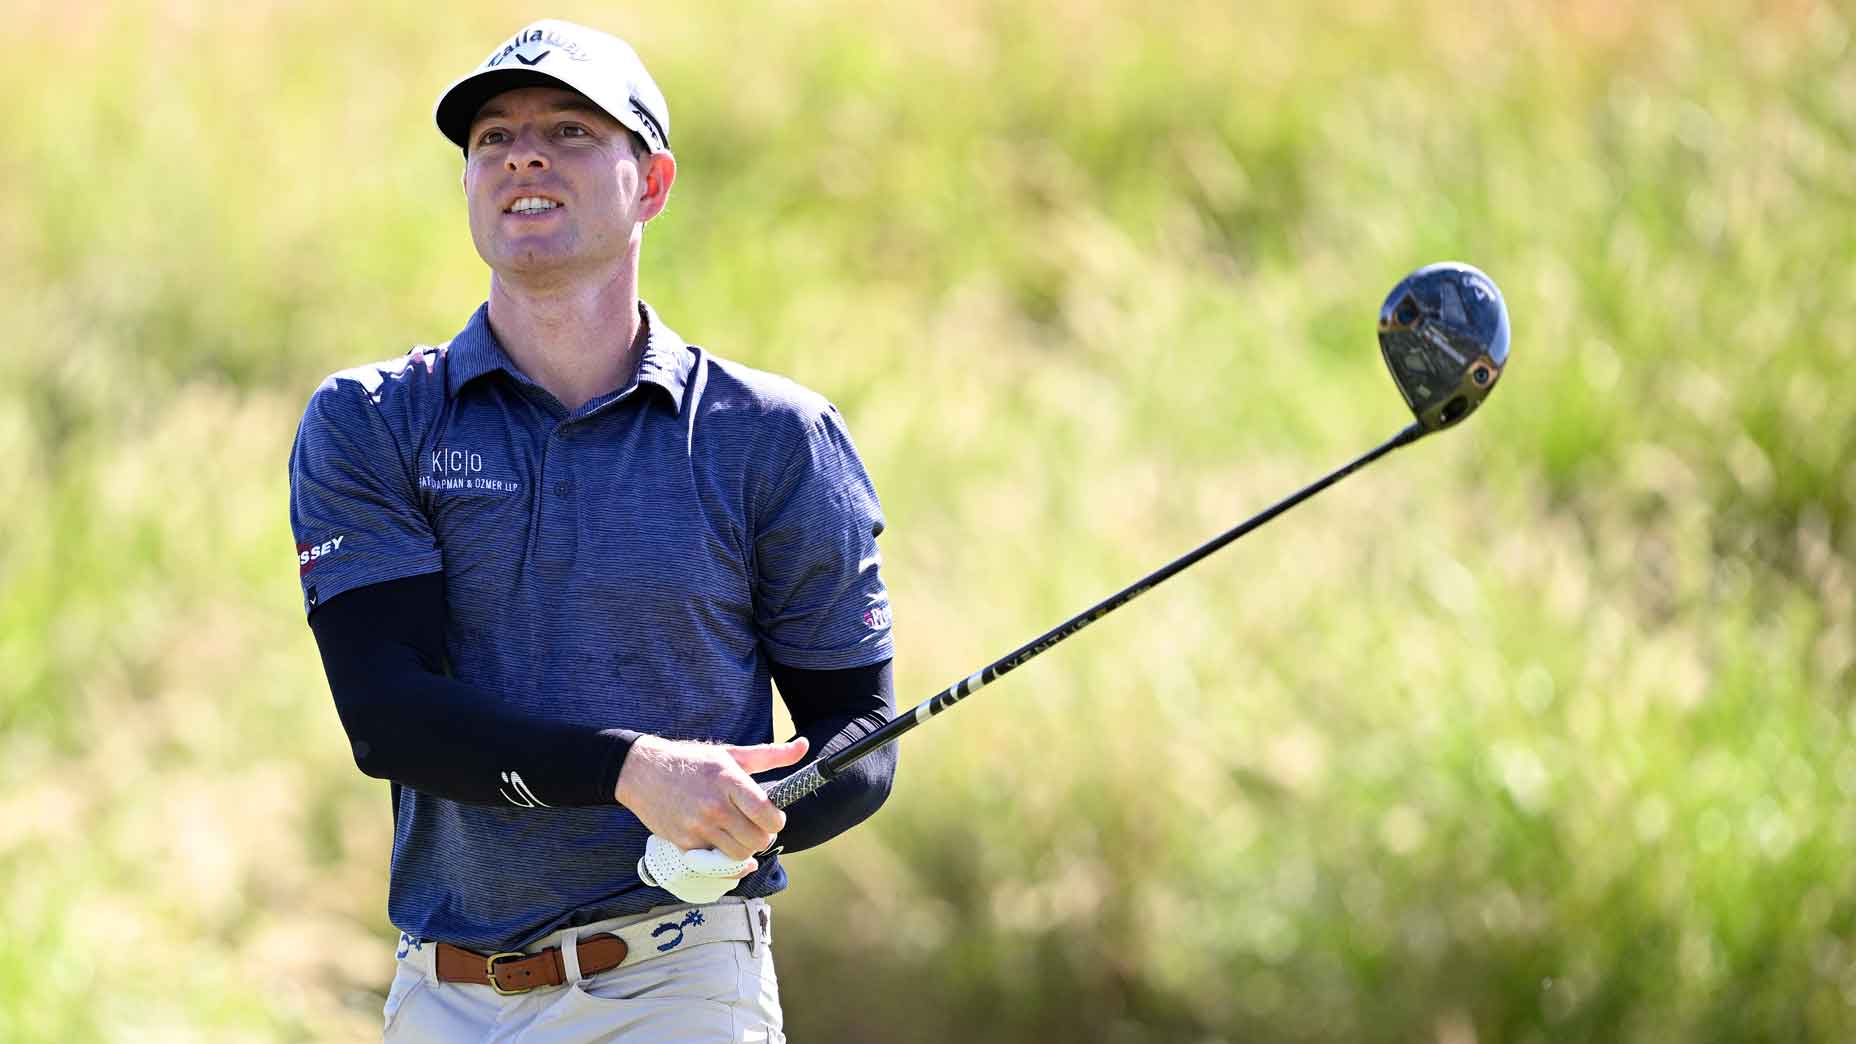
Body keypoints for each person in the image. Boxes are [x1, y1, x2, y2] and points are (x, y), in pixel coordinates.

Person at [288, 18, 898, 1041]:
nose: (522, 152)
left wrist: (742, 817)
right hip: (442, 991)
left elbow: (860, 732)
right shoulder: (371, 420)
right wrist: (638, 774)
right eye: (492, 138)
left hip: (677, 977)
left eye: (569, 130)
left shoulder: (772, 436)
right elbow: (388, 715)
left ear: (650, 183)